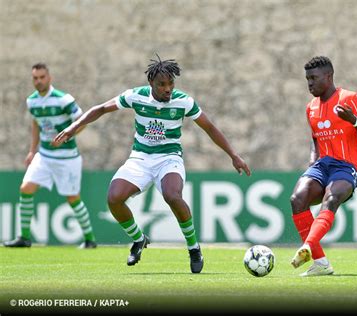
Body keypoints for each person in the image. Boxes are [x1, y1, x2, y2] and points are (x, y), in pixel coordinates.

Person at [53, 53, 251, 273]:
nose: (168, 89)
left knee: (172, 196)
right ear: (151, 84)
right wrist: (73, 128)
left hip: (169, 158)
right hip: (140, 158)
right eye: (162, 85)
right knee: (114, 198)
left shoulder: (183, 101)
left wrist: (233, 155)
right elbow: (100, 109)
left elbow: (210, 128)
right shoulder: (136, 96)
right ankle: (138, 239)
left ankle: (194, 248)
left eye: (171, 84)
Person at [290, 56, 357, 276]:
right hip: (322, 165)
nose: (309, 83)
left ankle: (308, 246)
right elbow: (315, 138)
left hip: (346, 167)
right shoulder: (311, 108)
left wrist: (354, 121)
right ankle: (320, 263)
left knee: (331, 198)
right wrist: (313, 158)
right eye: (307, 79)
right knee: (297, 199)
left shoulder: (350, 98)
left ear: (328, 77)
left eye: (314, 78)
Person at [4, 63, 97, 249]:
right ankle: (24, 237)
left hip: (67, 157)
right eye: (35, 78)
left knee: (72, 198)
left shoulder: (63, 99)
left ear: (49, 78)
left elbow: (82, 121)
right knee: (26, 188)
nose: (38, 81)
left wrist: (66, 136)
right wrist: (32, 150)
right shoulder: (32, 101)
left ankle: (90, 239)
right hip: (44, 155)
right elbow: (36, 125)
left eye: (42, 77)